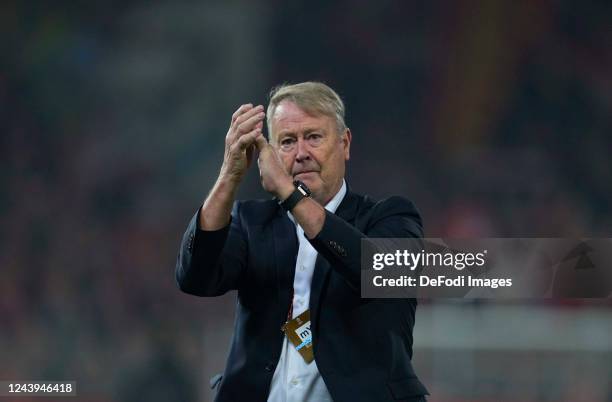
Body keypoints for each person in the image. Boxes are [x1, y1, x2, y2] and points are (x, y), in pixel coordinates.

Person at [176, 82, 429, 402]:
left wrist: (289, 193)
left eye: (313, 137)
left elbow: (378, 271)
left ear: (345, 143)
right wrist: (230, 174)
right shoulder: (252, 222)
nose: (301, 153)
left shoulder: (390, 217)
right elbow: (195, 278)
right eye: (287, 141)